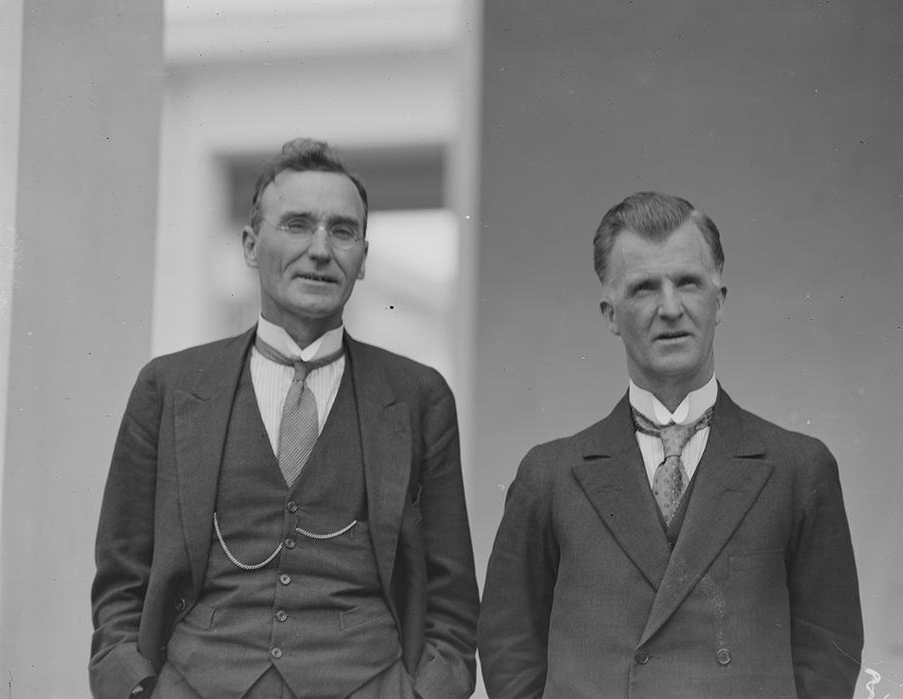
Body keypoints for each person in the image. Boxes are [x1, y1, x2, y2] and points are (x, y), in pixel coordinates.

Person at [90, 139, 479, 699]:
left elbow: (452, 593)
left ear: (363, 259)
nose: (321, 249)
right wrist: (136, 687)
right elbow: (121, 577)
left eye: (342, 231)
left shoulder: (418, 397)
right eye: (297, 225)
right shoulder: (170, 388)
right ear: (251, 245)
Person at [478, 192, 863, 698]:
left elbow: (830, 650)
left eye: (688, 282)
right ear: (610, 314)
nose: (670, 308)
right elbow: (509, 645)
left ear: (719, 300)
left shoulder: (798, 468)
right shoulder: (550, 475)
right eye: (643, 288)